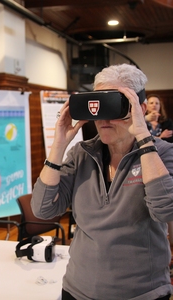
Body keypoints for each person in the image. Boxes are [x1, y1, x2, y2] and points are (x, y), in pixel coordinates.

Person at [31, 63, 173, 300]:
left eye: (115, 107)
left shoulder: (163, 153)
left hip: (141, 293)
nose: (104, 119)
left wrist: (143, 139)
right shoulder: (81, 154)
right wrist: (58, 146)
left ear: (140, 108)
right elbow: (44, 209)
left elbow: (165, 210)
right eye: (98, 106)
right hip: (78, 290)